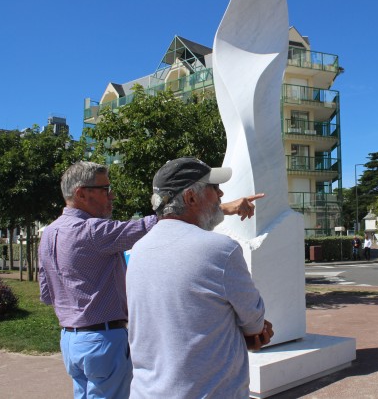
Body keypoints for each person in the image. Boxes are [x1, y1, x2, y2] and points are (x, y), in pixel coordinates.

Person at [38, 161, 263, 399]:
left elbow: (45, 293)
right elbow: (159, 222)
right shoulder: (93, 231)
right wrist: (222, 208)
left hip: (70, 341)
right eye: (105, 189)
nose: (112, 195)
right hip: (103, 340)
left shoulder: (50, 233)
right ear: (81, 193)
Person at [126, 157, 272, 398]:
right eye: (214, 188)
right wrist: (252, 333)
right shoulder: (221, 249)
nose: (221, 193)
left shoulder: (139, 250)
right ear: (191, 197)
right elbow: (255, 325)